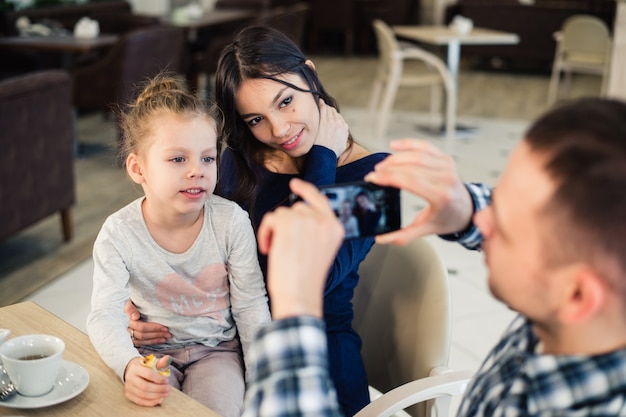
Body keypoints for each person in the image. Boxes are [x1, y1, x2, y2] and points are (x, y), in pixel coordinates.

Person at [244, 97, 626, 416]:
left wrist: (296, 305)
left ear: (577, 296)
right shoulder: (586, 306)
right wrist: (468, 207)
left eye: (505, 223)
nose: (484, 220)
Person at [127, 25, 388, 416]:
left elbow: (304, 279)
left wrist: (321, 159)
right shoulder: (241, 160)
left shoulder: (376, 176)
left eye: (285, 101)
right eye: (255, 120)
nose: (278, 130)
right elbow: (196, 244)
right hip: (222, 349)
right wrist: (140, 301)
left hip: (315, 360)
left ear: (311, 76)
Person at [86, 73, 271, 417]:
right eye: (177, 159)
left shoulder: (231, 221)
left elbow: (250, 306)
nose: (196, 171)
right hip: (148, 353)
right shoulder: (117, 233)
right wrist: (128, 365)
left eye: (207, 158)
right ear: (138, 168)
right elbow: (104, 314)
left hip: (217, 352)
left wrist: (264, 375)